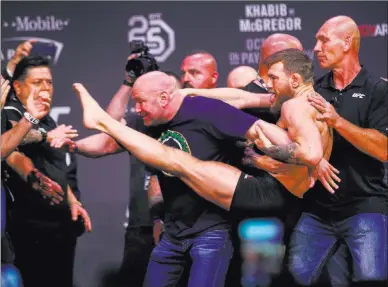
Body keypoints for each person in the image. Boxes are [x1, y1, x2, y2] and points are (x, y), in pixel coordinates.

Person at [72, 48, 338, 281]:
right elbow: (241, 98)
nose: (266, 85)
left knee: (182, 164)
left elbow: (309, 153)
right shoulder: (300, 102)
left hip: (267, 196)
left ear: (294, 79)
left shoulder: (296, 107)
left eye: (272, 78)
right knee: (182, 165)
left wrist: (271, 154)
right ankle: (103, 123)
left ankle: (103, 122)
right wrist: (189, 92)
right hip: (268, 200)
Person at [288, 16, 388, 287]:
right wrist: (313, 159)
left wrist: (337, 121)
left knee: (373, 281)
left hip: (365, 206)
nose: (316, 47)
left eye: (323, 39)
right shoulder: (313, 91)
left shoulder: (378, 90)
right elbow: (292, 140)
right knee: (295, 278)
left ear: (347, 43)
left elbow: (384, 150)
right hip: (317, 211)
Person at [2, 56, 92, 287]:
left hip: (59, 226)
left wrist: (72, 200)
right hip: (29, 226)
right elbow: (14, 154)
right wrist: (34, 177)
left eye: (49, 82)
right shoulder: (11, 112)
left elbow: (57, 166)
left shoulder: (48, 119)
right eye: (37, 82)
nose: (45, 88)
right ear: (18, 87)